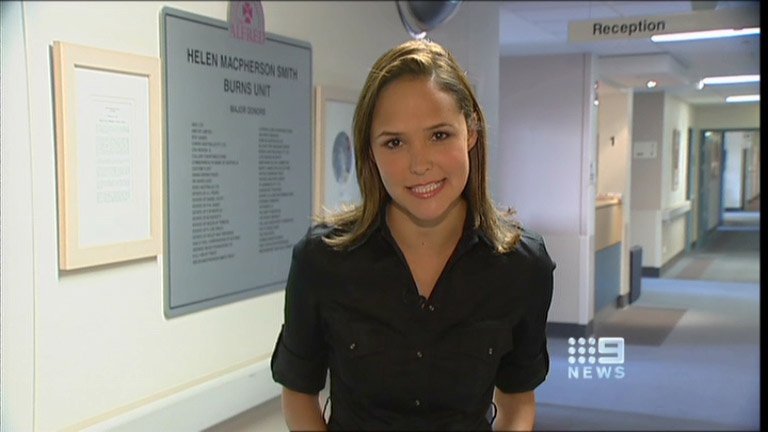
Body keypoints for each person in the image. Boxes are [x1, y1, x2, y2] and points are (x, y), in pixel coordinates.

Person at [271, 39, 555, 431]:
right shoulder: (321, 259)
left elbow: (518, 399)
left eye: (439, 135)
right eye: (395, 142)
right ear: (370, 151)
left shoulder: (523, 266)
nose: (419, 164)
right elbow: (298, 394)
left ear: (471, 132)